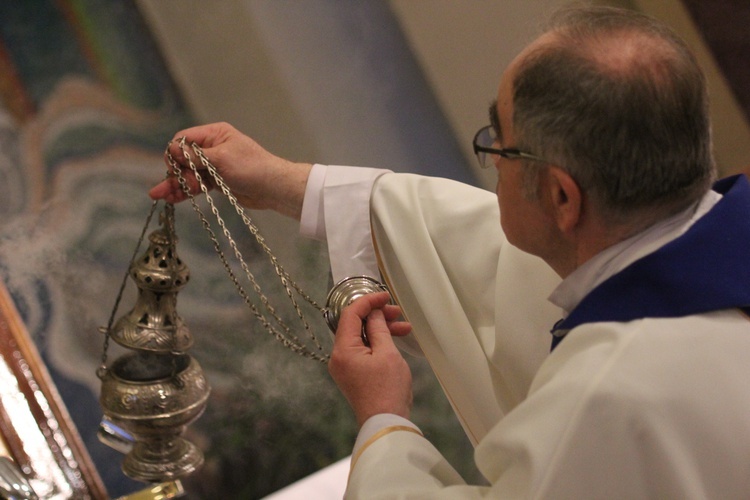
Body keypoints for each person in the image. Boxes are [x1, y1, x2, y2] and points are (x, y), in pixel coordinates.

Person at [150, 5, 750, 498]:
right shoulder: (693, 245)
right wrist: (284, 182)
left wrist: (385, 420)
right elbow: (493, 256)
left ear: (564, 198)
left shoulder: (606, 404)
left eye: (501, 145)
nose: (491, 163)